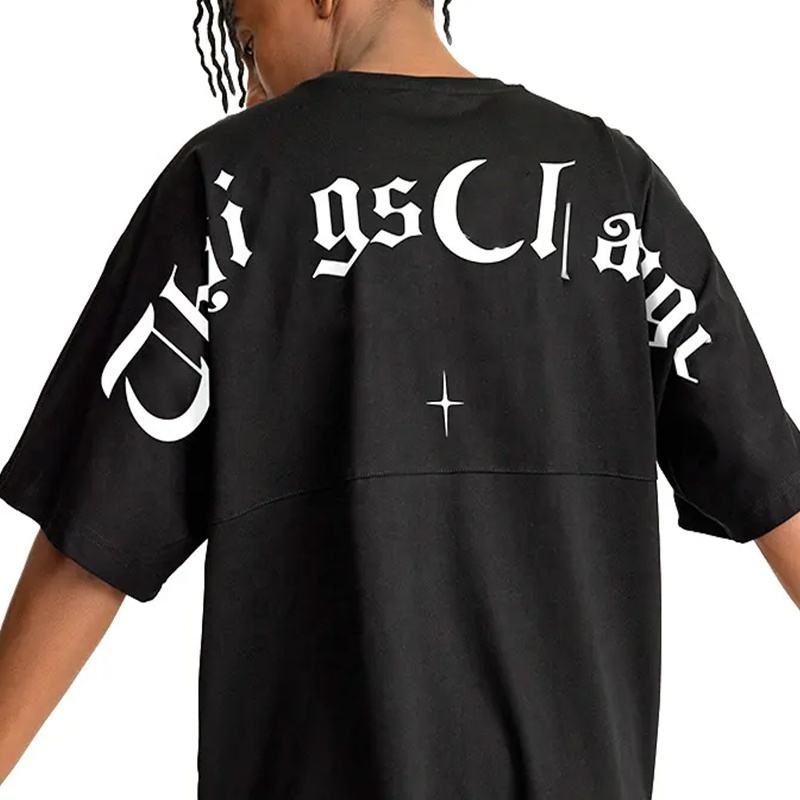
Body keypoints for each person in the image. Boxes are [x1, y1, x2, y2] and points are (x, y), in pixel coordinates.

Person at [0, 0, 798, 797]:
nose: (250, 87)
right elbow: (773, 487)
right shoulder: (614, 182)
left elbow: (92, 539)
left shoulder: (231, 183)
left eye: (247, 40)